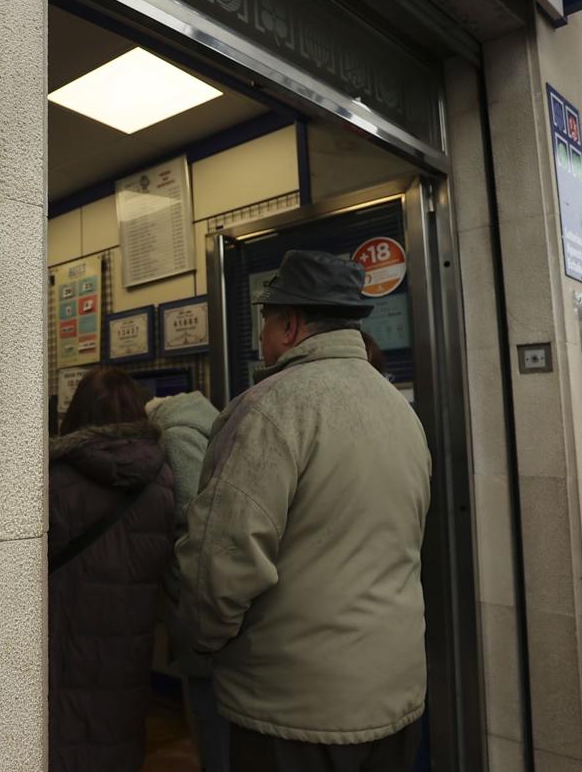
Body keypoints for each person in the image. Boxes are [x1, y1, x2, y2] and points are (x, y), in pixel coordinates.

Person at [175, 250, 431, 772]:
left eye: (265, 321)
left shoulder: (269, 408)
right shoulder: (399, 412)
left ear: (289, 325)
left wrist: (200, 643)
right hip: (396, 691)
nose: (260, 337)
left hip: (292, 710)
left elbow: (220, 564)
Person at [48, 367, 174, 772]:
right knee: (117, 733)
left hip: (64, 641)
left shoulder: (55, 480)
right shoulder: (164, 479)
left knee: (66, 736)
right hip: (130, 643)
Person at [146, 389, 228, 772]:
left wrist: (184, 611)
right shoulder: (212, 419)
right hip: (223, 607)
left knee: (211, 726)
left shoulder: (176, 436)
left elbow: (193, 529)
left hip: (205, 614)